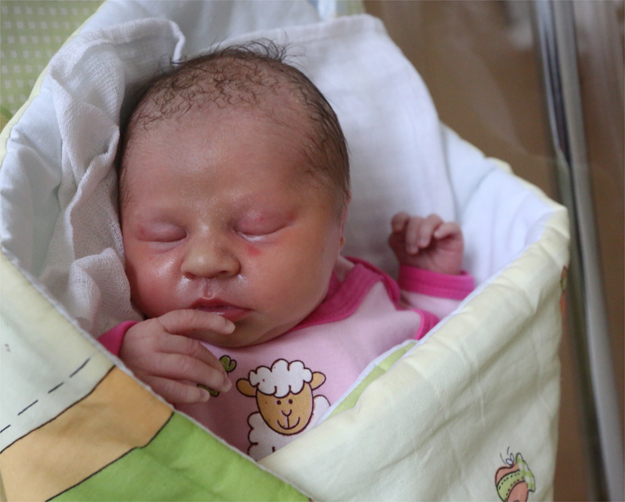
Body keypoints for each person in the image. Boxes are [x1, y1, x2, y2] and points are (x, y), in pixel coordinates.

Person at [100, 43, 474, 460]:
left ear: (339, 224)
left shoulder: (370, 308)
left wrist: (429, 283)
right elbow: (72, 421)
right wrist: (116, 367)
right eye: (166, 235)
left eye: (255, 227)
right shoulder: (156, 353)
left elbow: (452, 362)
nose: (205, 261)